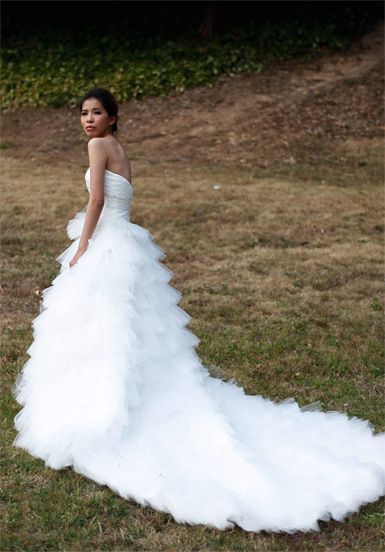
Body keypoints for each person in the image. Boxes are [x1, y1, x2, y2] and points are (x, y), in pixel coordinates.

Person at [12, 87, 385, 534]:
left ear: (113, 117)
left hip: (107, 242)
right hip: (125, 241)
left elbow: (97, 201)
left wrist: (83, 246)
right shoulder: (118, 146)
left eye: (97, 113)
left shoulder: (98, 146)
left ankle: (101, 402)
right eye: (84, 114)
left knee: (103, 324)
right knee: (124, 324)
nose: (88, 120)